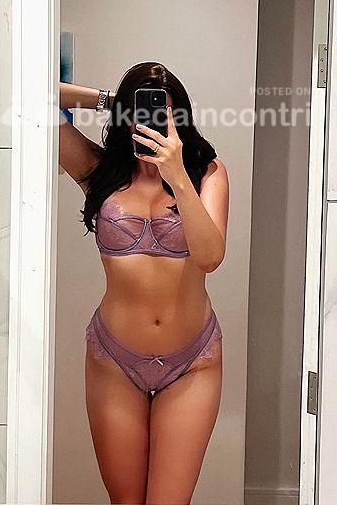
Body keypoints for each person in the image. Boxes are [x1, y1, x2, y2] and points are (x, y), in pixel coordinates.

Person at [59, 61, 229, 505]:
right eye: (141, 110)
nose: (152, 121)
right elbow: (31, 97)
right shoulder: (99, 170)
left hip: (191, 362)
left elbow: (210, 257)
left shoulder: (207, 173)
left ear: (180, 118)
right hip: (114, 360)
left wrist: (177, 175)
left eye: (163, 113)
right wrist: (107, 100)